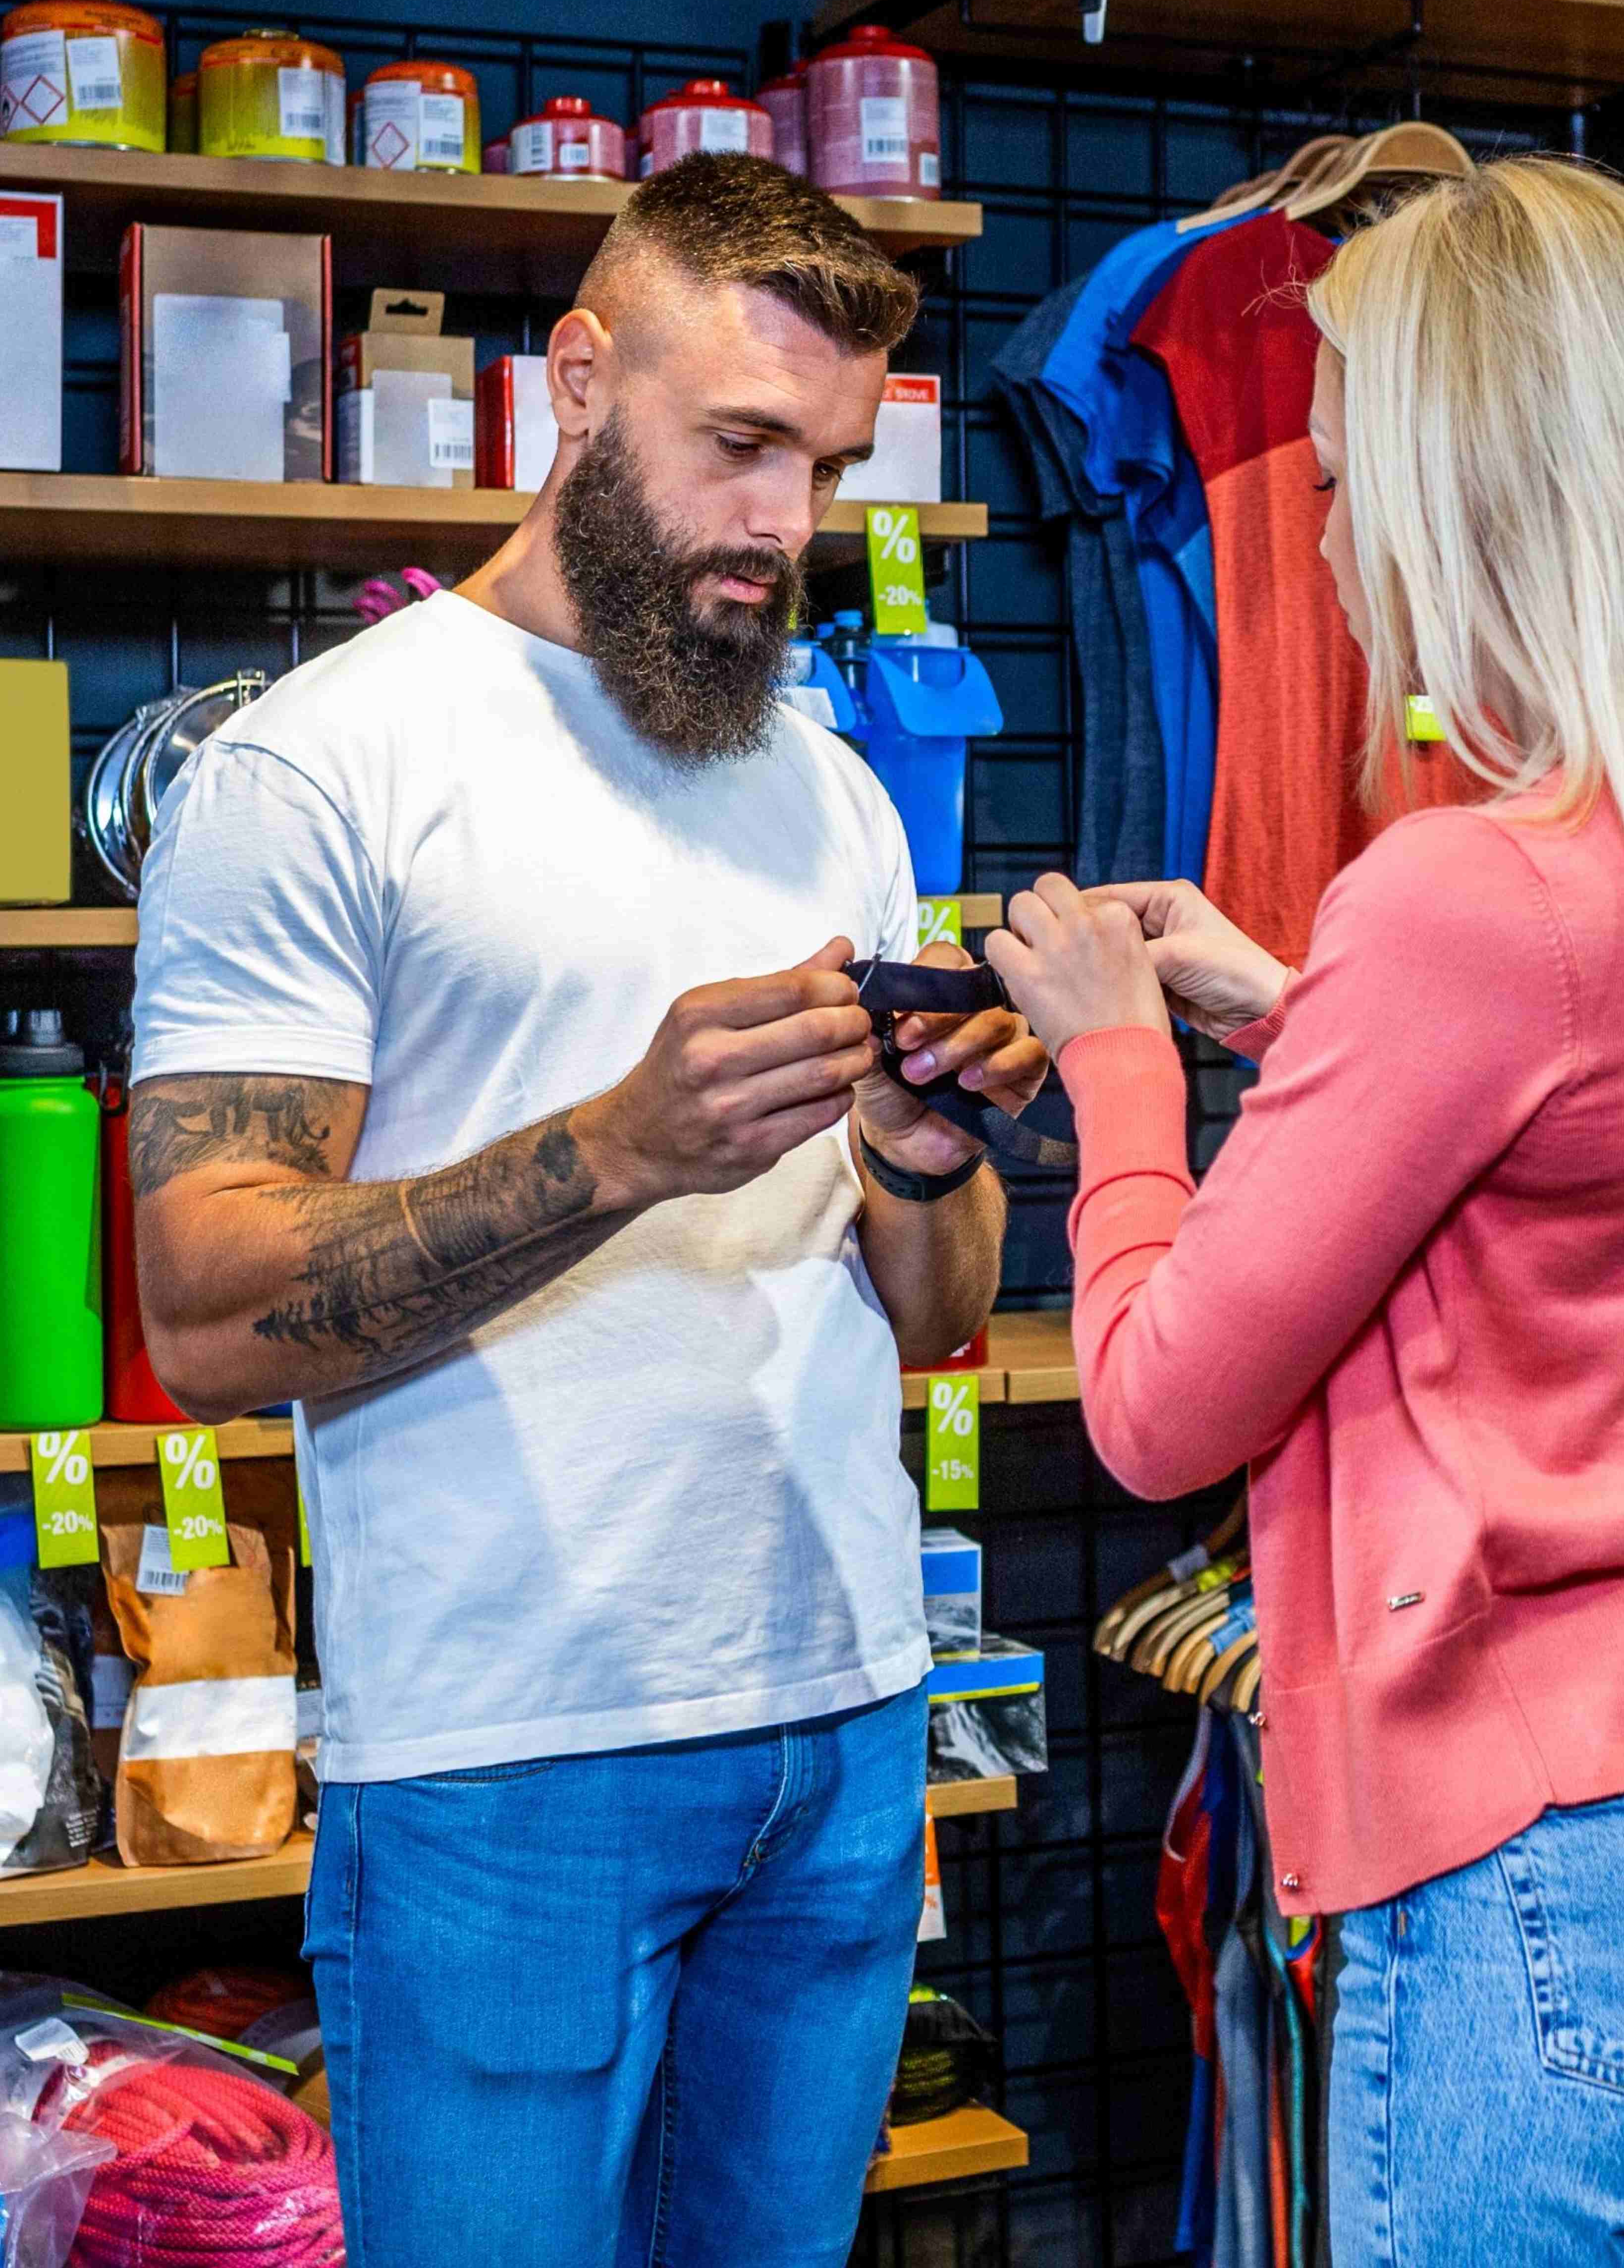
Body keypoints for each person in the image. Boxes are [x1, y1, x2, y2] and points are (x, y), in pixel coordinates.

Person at [128, 153, 1046, 2268]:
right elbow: (203, 1310)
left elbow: (925, 1314)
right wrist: (624, 1149)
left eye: (823, 466)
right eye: (737, 446)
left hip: (836, 1723)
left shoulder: (822, 786)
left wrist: (919, 1154)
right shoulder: (321, 774)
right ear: (575, 381)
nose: (782, 529)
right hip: (508, 1751)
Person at [987, 157, 1624, 2264]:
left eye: (1355, 477)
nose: (1329, 533)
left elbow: (1158, 1412)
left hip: (1531, 1887)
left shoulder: (1464, 898)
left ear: (1494, 496)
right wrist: (1295, 1015)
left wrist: (1117, 1064)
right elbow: (1596, 1164)